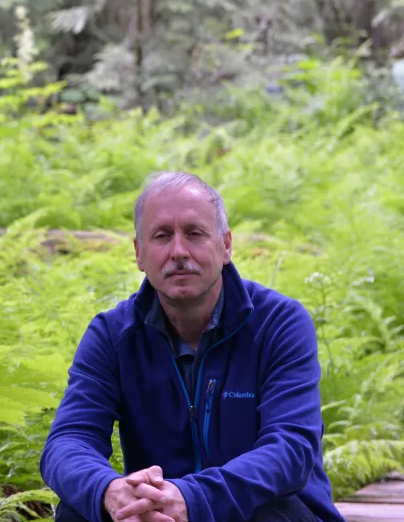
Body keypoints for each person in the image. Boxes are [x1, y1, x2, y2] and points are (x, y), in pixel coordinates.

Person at [39, 171, 344, 522]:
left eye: (195, 234)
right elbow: (67, 442)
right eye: (162, 236)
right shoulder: (112, 335)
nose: (179, 251)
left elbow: (292, 449)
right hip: (159, 516)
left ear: (226, 245)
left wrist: (191, 497)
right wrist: (111, 491)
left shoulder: (279, 323)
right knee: (80, 509)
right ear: (139, 254)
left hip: (264, 513)